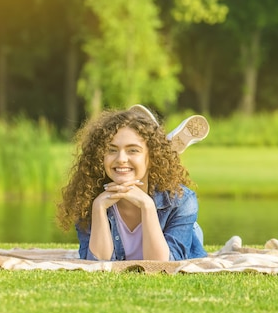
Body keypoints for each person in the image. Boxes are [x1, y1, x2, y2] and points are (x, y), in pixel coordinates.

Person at [56, 105, 209, 261]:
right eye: (111, 150)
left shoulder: (181, 201)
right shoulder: (86, 197)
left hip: (188, 237)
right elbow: (98, 263)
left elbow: (162, 265)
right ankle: (162, 142)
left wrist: (147, 205)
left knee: (194, 233)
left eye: (133, 150)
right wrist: (99, 207)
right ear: (100, 157)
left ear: (152, 158)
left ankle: (160, 145)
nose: (121, 159)